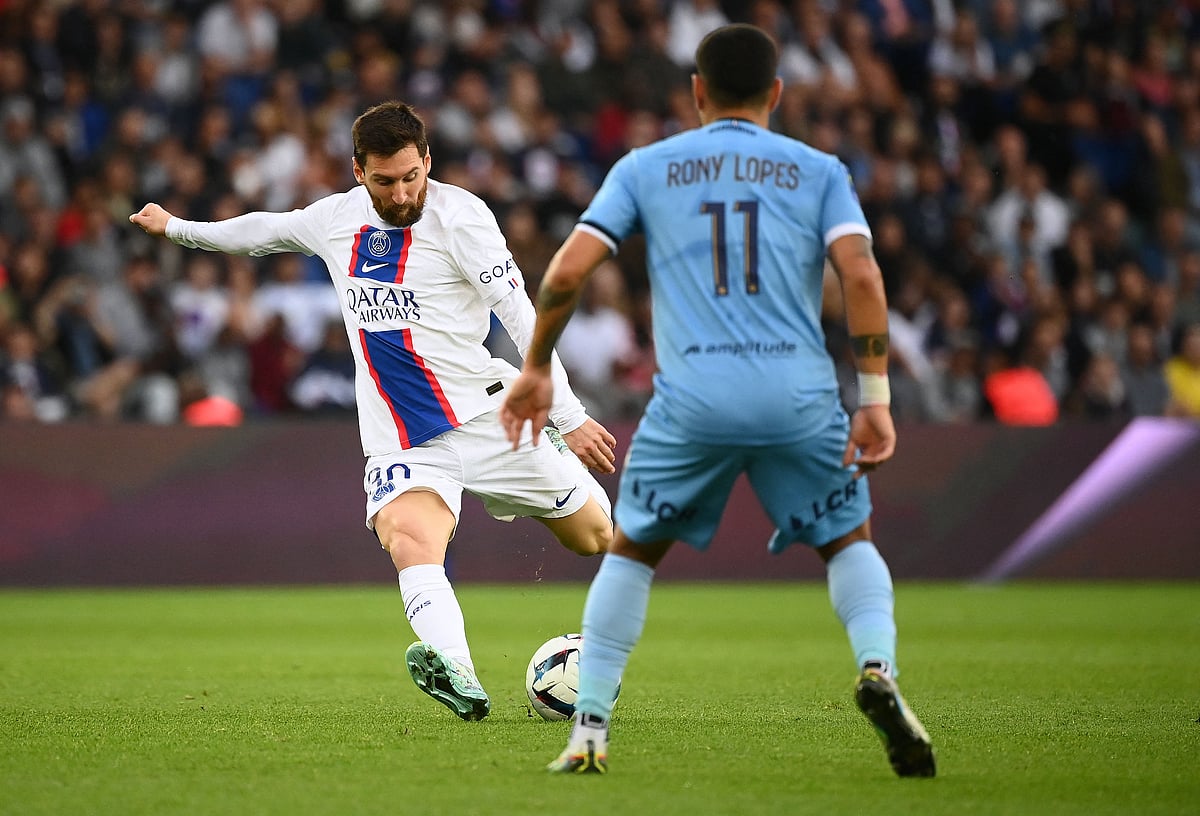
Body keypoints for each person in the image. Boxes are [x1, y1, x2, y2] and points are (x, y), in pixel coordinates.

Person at [501, 24, 935, 777]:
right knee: (848, 541)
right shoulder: (819, 170)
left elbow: (568, 271)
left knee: (632, 555)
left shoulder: (647, 168)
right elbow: (862, 278)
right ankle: (876, 669)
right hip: (797, 397)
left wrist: (537, 365)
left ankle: (590, 730)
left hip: (692, 399)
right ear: (776, 93)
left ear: (696, 94)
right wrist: (875, 398)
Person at [130, 101, 617, 722]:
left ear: (427, 162)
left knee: (594, 534)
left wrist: (566, 415)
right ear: (359, 171)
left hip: (489, 416)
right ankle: (459, 674)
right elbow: (260, 231)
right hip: (404, 435)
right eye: (385, 181)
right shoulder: (336, 220)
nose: (401, 192)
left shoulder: (462, 218)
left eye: (411, 176)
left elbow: (523, 315)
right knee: (409, 539)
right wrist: (177, 228)